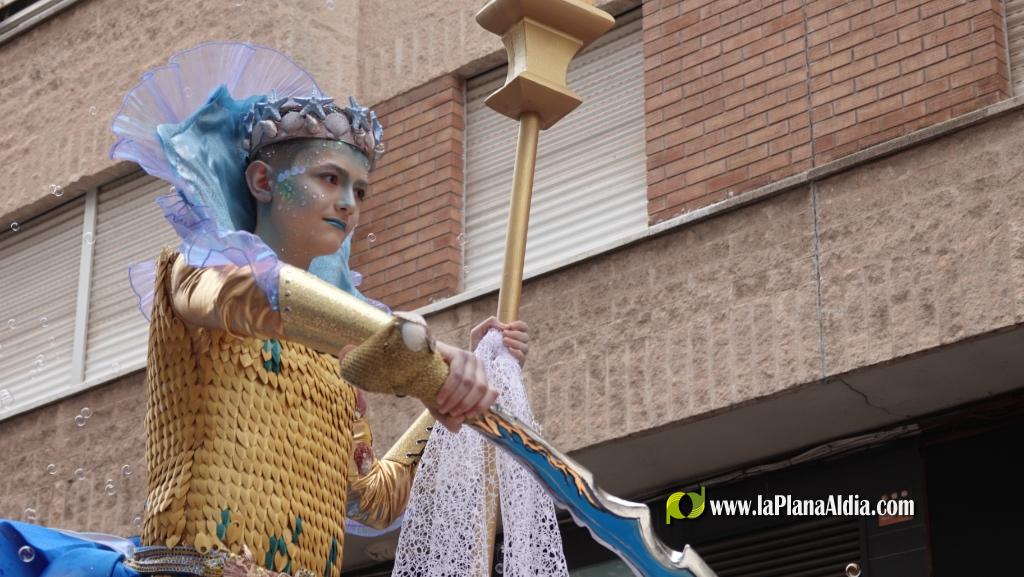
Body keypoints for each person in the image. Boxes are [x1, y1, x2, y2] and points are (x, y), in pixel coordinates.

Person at [0, 41, 529, 577]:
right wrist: (425, 358)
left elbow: (368, 502)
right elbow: (253, 299)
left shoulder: (339, 362)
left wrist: (447, 396)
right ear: (262, 182)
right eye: (329, 178)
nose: (349, 202)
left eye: (360, 189)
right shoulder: (194, 269)